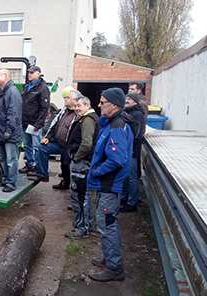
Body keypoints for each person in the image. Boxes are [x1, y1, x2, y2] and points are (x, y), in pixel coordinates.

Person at [87, 87, 133, 282]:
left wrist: (96, 171)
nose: (99, 105)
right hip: (107, 185)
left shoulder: (117, 127)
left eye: (102, 102)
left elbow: (117, 159)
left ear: (113, 105)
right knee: (107, 224)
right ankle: (109, 258)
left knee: (107, 225)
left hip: (109, 186)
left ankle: (114, 268)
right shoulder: (111, 124)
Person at [64, 93, 99, 239]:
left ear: (87, 105)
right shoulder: (85, 118)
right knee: (83, 195)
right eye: (76, 106)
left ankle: (81, 229)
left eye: (80, 106)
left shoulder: (88, 120)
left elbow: (86, 144)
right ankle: (87, 224)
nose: (77, 108)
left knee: (79, 196)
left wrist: (76, 158)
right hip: (82, 162)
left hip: (82, 163)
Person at [28, 87, 77, 190]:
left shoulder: (78, 114)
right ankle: (42, 174)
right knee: (42, 147)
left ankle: (66, 183)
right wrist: (48, 138)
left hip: (69, 147)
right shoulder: (64, 111)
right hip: (59, 144)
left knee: (65, 166)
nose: (65, 99)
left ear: (75, 100)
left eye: (68, 98)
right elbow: (54, 125)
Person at [0, 69, 23, 193]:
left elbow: (13, 113)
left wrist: (9, 130)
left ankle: (11, 183)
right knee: (3, 158)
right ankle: (6, 179)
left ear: (6, 76)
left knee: (11, 159)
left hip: (9, 132)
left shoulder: (12, 92)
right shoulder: (2, 91)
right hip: (1, 132)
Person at [19, 65, 50, 176]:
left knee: (37, 146)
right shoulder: (26, 86)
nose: (30, 74)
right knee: (27, 145)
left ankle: (37, 166)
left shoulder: (42, 88)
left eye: (32, 73)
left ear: (38, 73)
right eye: (29, 72)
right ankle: (30, 164)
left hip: (34, 123)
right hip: (25, 122)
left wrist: (38, 123)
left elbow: (44, 108)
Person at [120, 92, 146, 212]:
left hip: (132, 152)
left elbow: (137, 133)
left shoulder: (137, 114)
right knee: (126, 176)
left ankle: (132, 203)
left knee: (132, 178)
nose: (126, 100)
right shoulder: (129, 112)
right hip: (127, 151)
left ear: (135, 101)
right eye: (126, 98)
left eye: (129, 99)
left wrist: (130, 148)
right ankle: (125, 198)